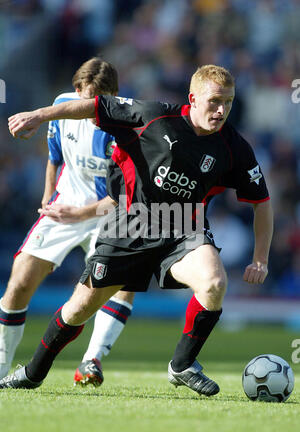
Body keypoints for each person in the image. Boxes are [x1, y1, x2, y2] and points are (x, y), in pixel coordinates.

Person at [2, 64, 273, 397]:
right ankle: (33, 372)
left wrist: (260, 259)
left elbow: (262, 201)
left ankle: (182, 365)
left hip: (182, 230)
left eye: (228, 102)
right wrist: (39, 115)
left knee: (214, 282)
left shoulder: (234, 146)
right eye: (215, 101)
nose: (221, 110)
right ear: (192, 99)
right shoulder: (153, 115)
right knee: (80, 308)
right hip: (131, 226)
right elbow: (94, 106)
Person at [0, 57, 135, 386]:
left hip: (110, 211)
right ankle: (2, 364)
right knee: (19, 282)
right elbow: (54, 156)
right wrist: (48, 196)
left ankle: (92, 360)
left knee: (121, 285)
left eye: (106, 99)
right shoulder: (62, 106)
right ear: (78, 92)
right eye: (92, 98)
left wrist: (81, 213)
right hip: (65, 206)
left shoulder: (125, 124)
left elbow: (122, 195)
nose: (99, 107)